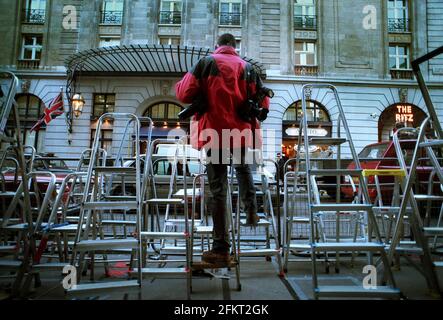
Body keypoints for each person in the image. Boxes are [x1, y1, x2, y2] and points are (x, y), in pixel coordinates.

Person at [175, 33, 270, 264]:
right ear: (235, 47)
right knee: (243, 168)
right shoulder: (249, 68)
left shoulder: (206, 63)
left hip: (215, 132)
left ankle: (220, 247)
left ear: (217, 46)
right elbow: (264, 103)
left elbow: (183, 93)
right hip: (241, 132)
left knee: (218, 188)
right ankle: (251, 210)